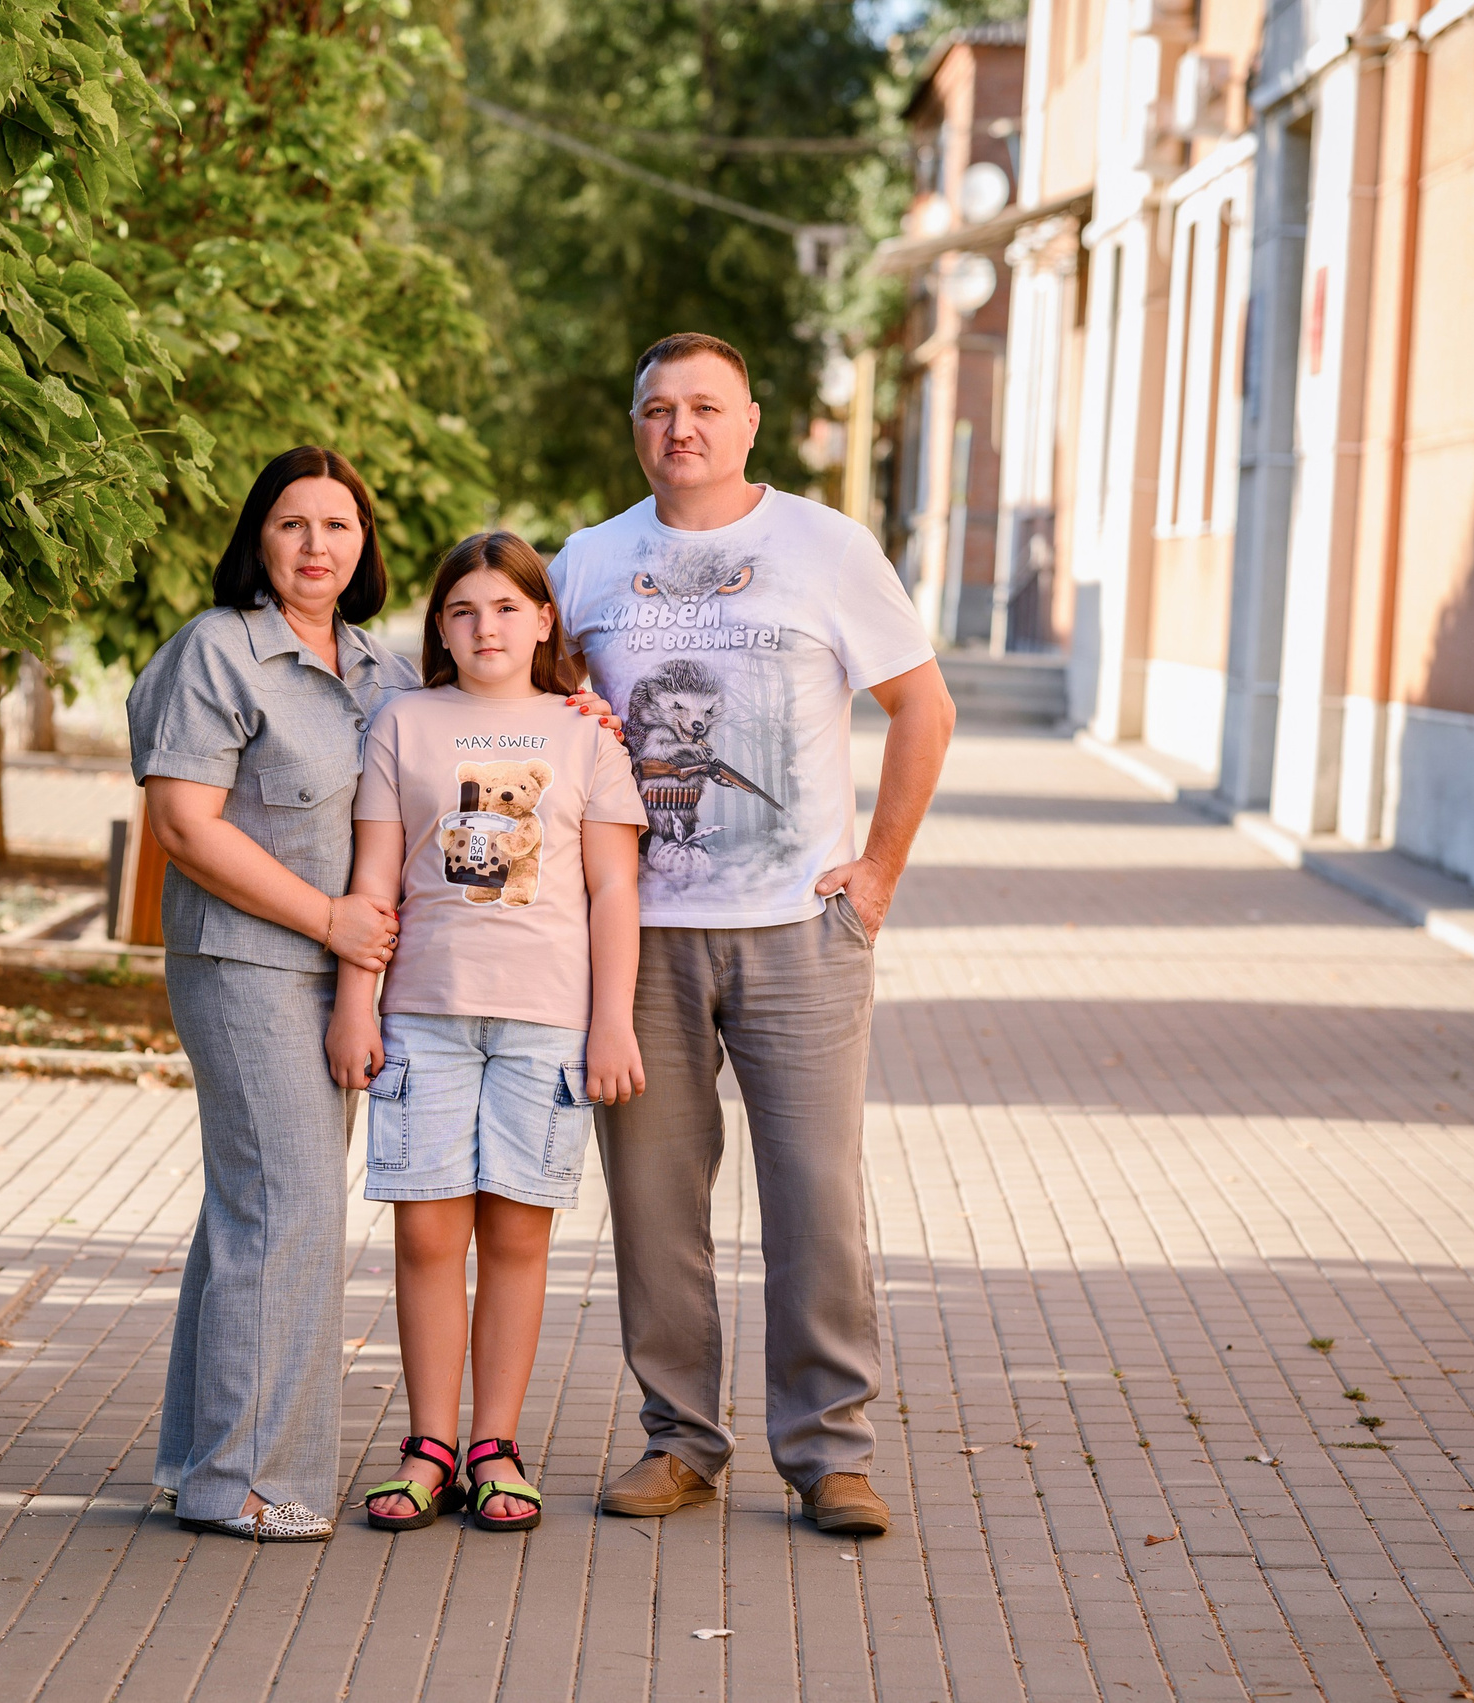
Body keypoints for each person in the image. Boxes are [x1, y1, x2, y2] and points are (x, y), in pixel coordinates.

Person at [549, 332, 955, 1536]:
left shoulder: (826, 547)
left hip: (797, 933)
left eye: (706, 407)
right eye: (657, 408)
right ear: (634, 427)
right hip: (640, 937)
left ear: (751, 422)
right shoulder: (587, 561)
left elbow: (922, 708)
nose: (681, 427)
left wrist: (875, 875)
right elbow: (532, 702)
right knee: (654, 1202)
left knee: (816, 1197)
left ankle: (829, 1452)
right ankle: (679, 1440)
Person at [326, 532, 647, 1534]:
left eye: (506, 607)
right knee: (426, 1232)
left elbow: (612, 889)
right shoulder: (403, 722)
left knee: (516, 1233)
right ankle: (429, 1444)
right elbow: (371, 880)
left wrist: (611, 1024)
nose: (484, 626)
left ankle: (494, 1444)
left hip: (546, 1022)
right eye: (461, 610)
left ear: (544, 619)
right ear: (439, 628)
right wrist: (353, 1000)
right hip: (424, 1012)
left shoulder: (584, 731)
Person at [125, 446, 416, 1542]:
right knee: (289, 1205)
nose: (315, 546)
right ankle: (240, 1480)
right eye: (293, 524)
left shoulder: (380, 670)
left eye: (337, 526)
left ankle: (194, 1461)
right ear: (259, 537)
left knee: (248, 1210)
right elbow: (182, 827)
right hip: (242, 966)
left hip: (334, 977)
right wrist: (330, 921)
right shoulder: (215, 650)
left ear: (362, 546)